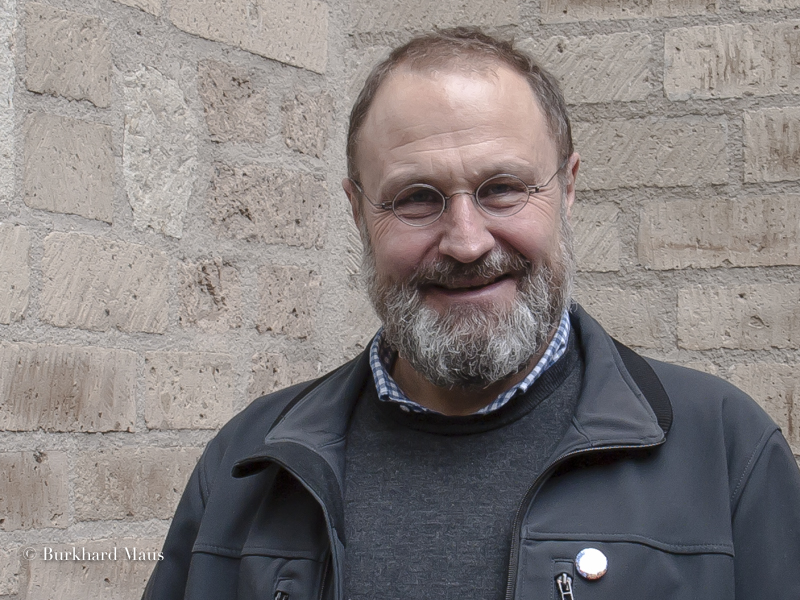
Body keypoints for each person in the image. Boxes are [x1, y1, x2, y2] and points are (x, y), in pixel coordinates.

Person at [143, 28, 800, 600]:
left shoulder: (726, 452)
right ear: (356, 211)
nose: (466, 240)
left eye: (503, 190)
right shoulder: (247, 464)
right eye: (416, 198)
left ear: (567, 188)